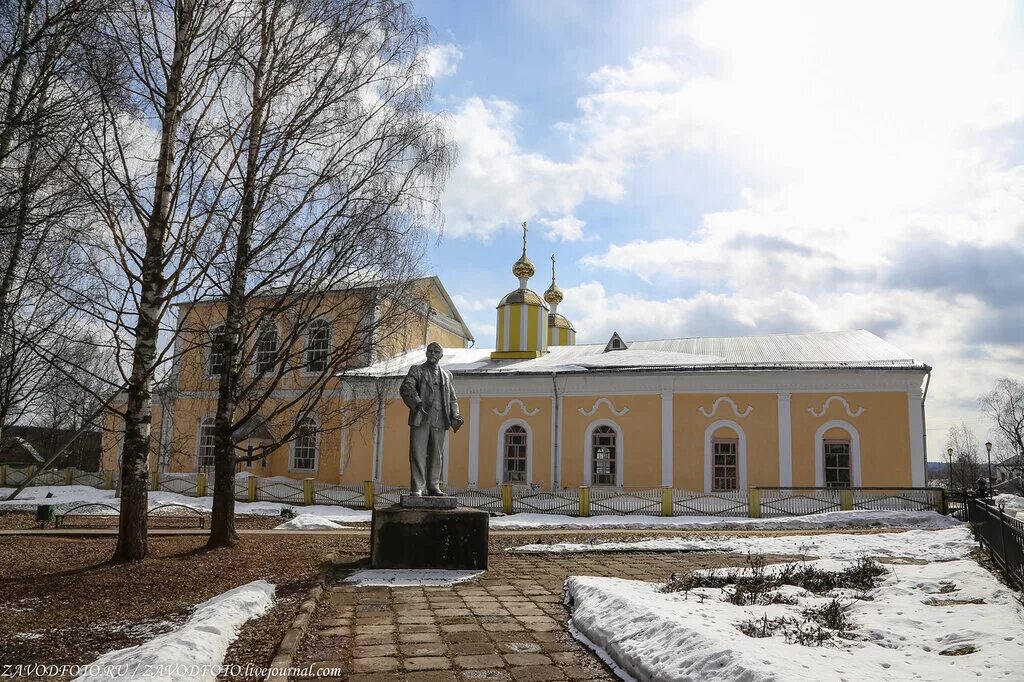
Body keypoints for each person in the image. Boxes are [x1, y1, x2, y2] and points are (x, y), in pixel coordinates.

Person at [399, 342, 464, 496]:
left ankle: (433, 486)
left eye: (436, 351)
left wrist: (455, 415)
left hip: (440, 419)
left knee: (437, 454)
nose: (432, 354)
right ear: (426, 353)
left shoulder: (447, 375)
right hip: (421, 417)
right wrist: (416, 401)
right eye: (430, 351)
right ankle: (418, 487)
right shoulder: (417, 370)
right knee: (418, 453)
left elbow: (452, 399)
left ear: (441, 355)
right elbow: (406, 387)